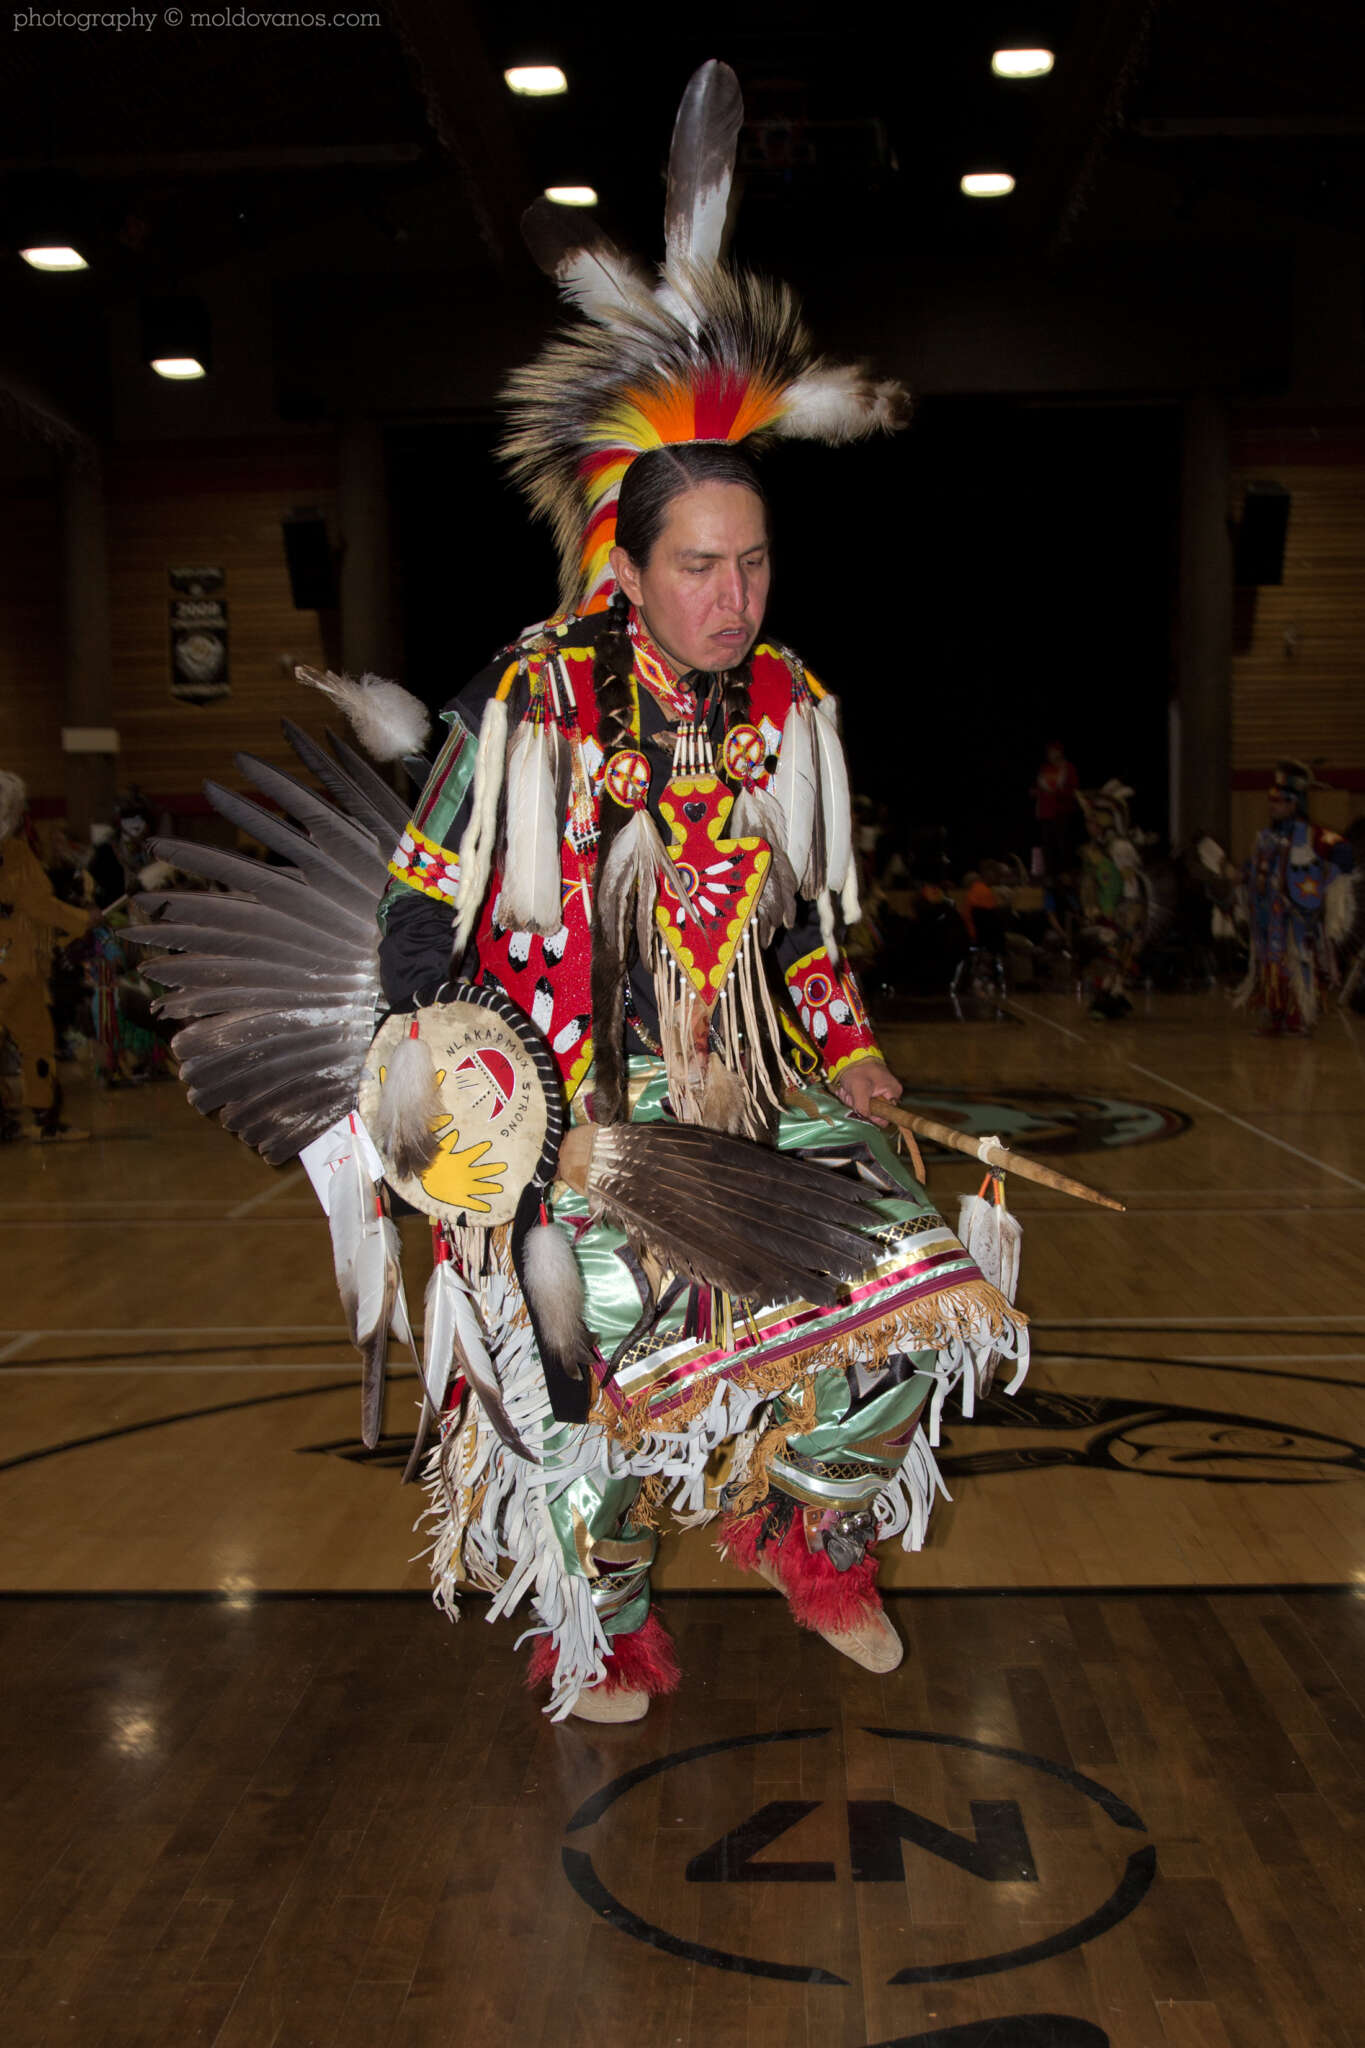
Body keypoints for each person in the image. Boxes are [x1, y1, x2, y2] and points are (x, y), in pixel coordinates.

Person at [135, 62, 1029, 1727]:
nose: (734, 591)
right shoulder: (531, 698)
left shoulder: (787, 710)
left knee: (928, 1293)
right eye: (701, 564)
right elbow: (421, 906)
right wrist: (450, 1085)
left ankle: (804, 1523)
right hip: (583, 1121)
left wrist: (857, 1064)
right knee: (590, 1384)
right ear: (627, 566)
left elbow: (801, 931)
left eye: (755, 561)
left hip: (755, 1097)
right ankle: (595, 1619)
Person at [0, 773, 90, 1139]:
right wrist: (85, 919)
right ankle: (43, 1118)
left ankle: (25, 1119)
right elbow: (38, 904)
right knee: (36, 1041)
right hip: (16, 967)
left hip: (19, 962)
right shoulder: (15, 855)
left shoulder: (15, 852)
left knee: (33, 1041)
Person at [1240, 760, 1356, 1035]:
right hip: (1268, 915)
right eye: (1271, 800)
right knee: (1270, 963)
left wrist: (1327, 886)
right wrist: (1240, 875)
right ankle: (1276, 1015)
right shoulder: (1266, 837)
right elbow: (1253, 868)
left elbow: (1343, 856)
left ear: (1294, 804)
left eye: (1278, 801)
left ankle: (1300, 1016)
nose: (1272, 806)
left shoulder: (1314, 836)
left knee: (1297, 960)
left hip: (1295, 916)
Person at [1031, 741, 1079, 876]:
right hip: (1045, 814)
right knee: (1047, 847)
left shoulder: (1068, 768)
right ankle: (1050, 875)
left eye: (1053, 751)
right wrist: (1037, 793)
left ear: (1059, 752)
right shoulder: (1044, 769)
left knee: (1063, 846)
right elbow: (1042, 789)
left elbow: (1073, 790)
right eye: (1049, 752)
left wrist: (1057, 794)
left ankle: (1066, 874)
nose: (1050, 754)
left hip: (1062, 812)